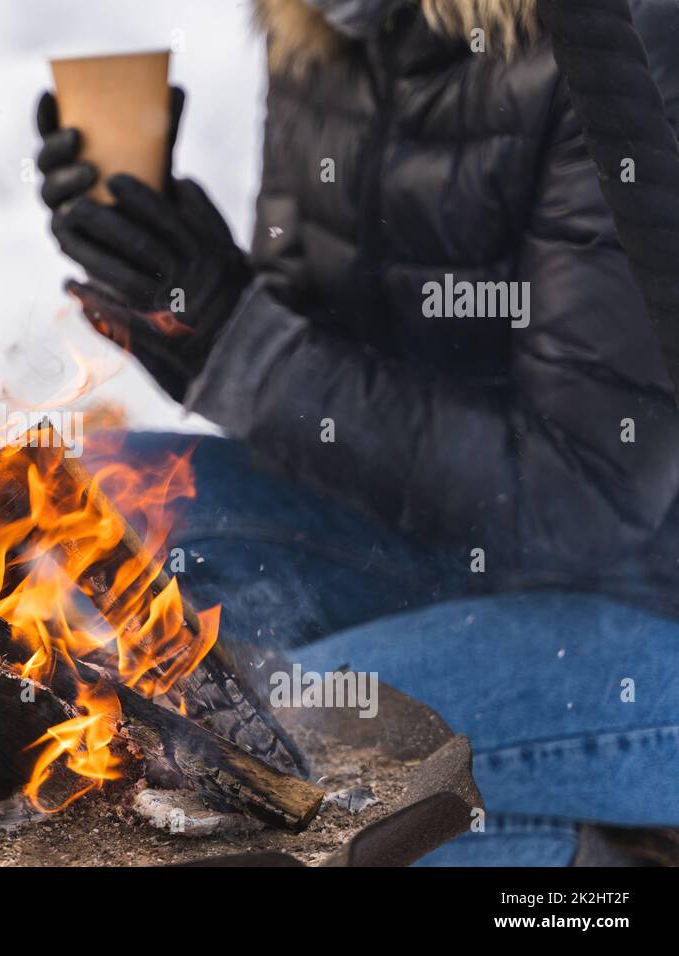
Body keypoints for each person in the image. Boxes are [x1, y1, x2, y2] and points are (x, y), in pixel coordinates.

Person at [38, 0, 679, 865]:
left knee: (285, 759)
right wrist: (181, 301)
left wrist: (243, 339)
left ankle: (599, 860)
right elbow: (313, 377)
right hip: (433, 544)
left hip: (638, 606)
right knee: (53, 530)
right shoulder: (322, 23)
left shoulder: (624, 35)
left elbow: (590, 494)